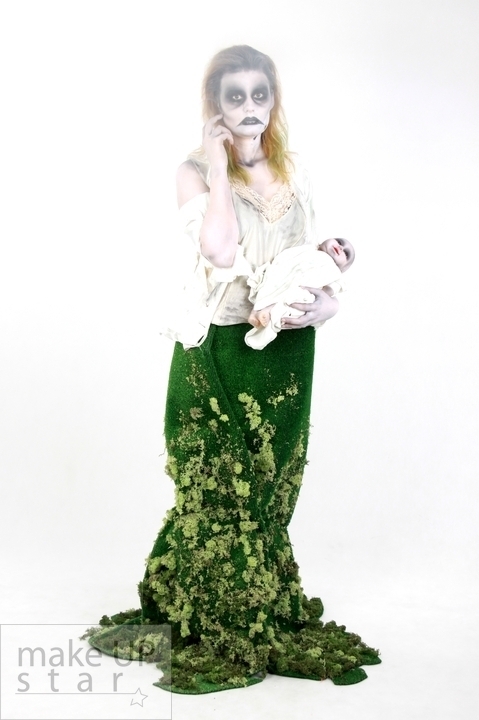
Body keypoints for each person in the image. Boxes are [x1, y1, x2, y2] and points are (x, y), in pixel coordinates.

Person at [86, 45, 380, 694]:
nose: (249, 107)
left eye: (259, 94)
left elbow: (310, 262)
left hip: (288, 353)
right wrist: (220, 170)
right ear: (215, 105)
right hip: (218, 347)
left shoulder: (294, 172)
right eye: (235, 96)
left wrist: (327, 307)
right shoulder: (193, 172)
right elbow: (219, 251)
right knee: (216, 489)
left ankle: (259, 606)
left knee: (271, 488)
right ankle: (211, 617)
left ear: (273, 100)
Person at [245, 237, 355, 349]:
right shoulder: (310, 248)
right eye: (339, 242)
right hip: (288, 275)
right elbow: (288, 256)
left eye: (346, 254)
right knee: (270, 282)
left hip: (304, 288)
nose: (341, 247)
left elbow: (329, 291)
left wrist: (321, 292)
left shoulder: (335, 273)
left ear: (343, 269)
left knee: (293, 301)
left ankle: (268, 313)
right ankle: (255, 312)